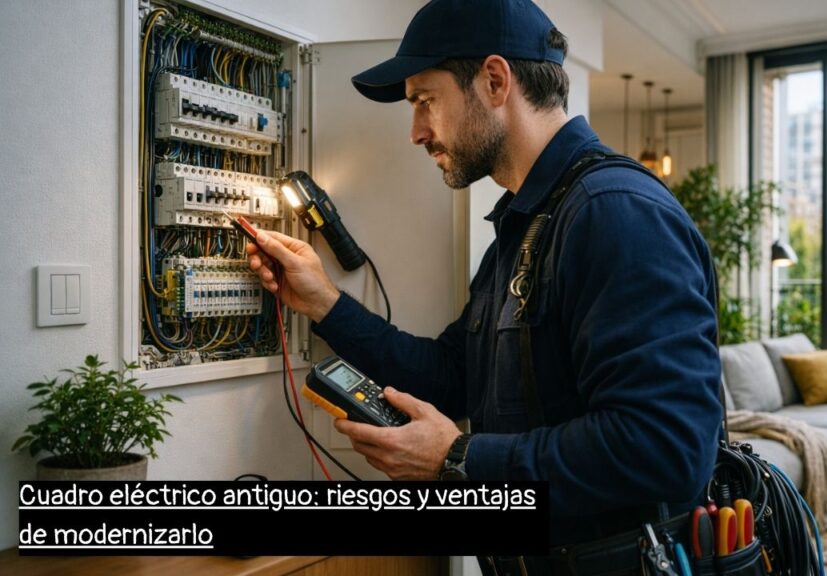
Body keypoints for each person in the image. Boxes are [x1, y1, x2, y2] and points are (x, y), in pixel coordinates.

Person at [247, 0, 722, 573]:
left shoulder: (613, 212)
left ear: (495, 80)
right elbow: (454, 377)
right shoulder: (526, 227)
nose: (417, 132)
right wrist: (323, 303)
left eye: (425, 101)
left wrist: (458, 458)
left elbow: (665, 448)